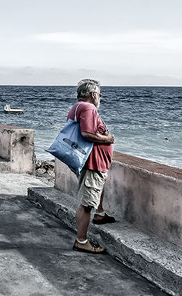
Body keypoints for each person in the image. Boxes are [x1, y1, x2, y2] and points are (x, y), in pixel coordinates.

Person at [70, 79, 116, 254]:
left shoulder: (78, 106)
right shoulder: (89, 108)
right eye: (99, 95)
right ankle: (81, 241)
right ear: (93, 95)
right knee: (87, 203)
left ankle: (100, 212)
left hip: (94, 162)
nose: (100, 98)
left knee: (96, 191)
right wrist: (108, 139)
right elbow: (87, 133)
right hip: (93, 162)